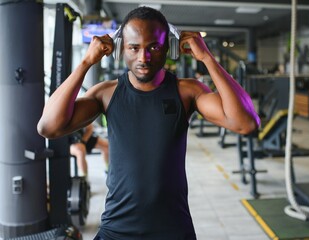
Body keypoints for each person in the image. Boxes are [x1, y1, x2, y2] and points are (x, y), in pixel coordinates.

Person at [37, 6, 260, 240]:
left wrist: (206, 58)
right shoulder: (106, 93)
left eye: (153, 46)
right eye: (134, 48)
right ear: (122, 48)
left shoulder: (187, 92)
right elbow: (48, 127)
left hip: (172, 230)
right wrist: (85, 63)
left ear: (169, 48)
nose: (143, 57)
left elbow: (245, 123)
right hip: (116, 230)